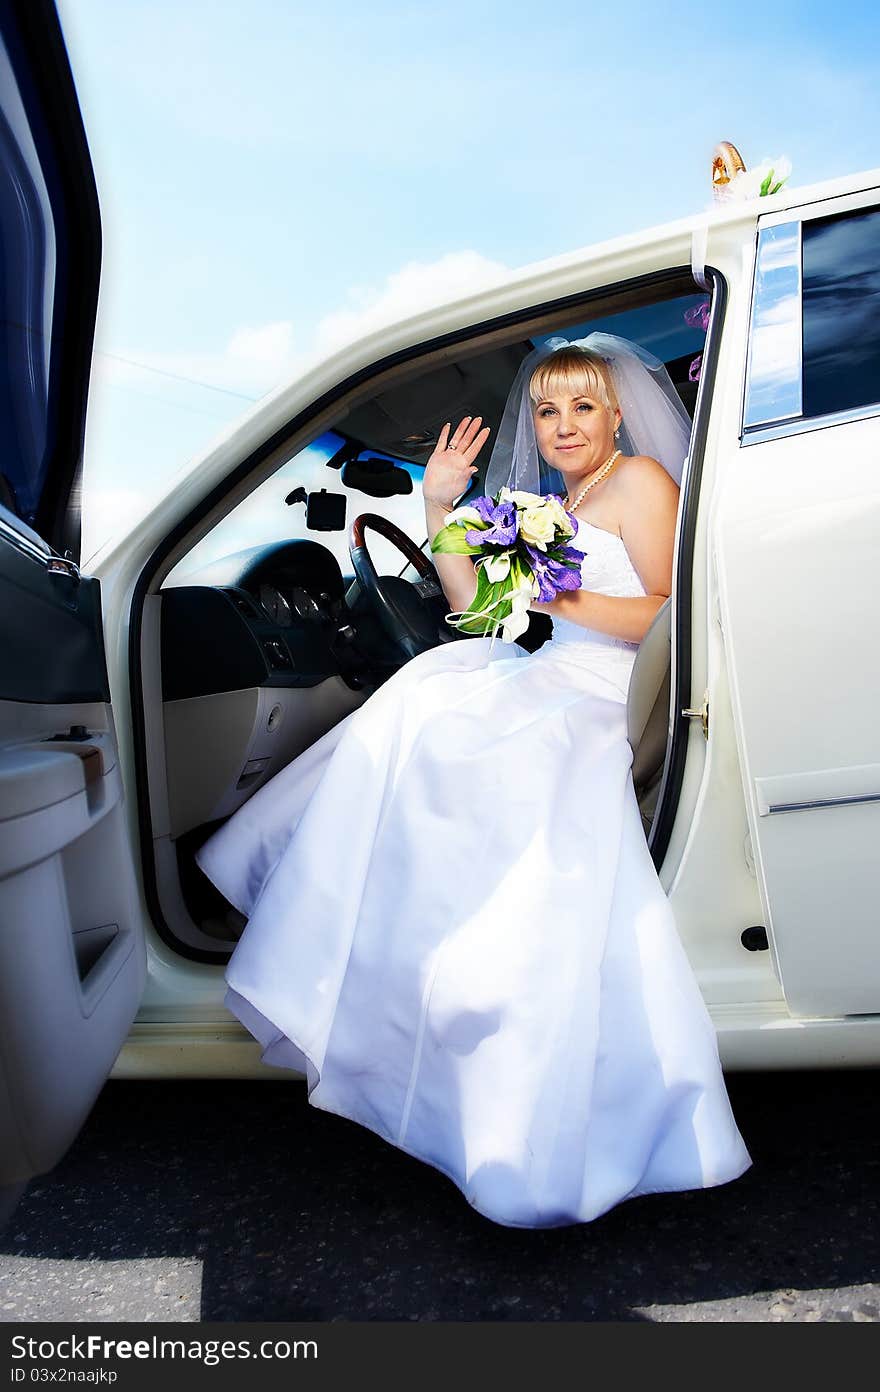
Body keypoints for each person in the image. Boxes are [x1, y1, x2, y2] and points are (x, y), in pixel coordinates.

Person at [195, 335, 752, 1228]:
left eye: (582, 406)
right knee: (430, 688)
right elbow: (474, 610)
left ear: (617, 413)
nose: (562, 425)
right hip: (556, 669)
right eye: (545, 409)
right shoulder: (557, 500)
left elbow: (663, 605)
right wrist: (441, 506)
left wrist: (554, 594)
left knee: (442, 721)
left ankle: (379, 946)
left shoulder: (643, 481)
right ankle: (359, 935)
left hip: (600, 692)